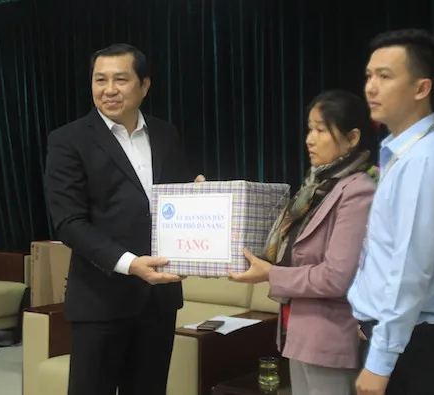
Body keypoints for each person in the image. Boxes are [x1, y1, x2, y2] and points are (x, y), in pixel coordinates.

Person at [44, 43, 204, 395]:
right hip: (100, 300)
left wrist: (199, 198)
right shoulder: (68, 140)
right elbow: (68, 222)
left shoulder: (165, 134)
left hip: (158, 300)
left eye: (120, 79)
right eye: (100, 80)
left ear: (144, 85)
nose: (109, 89)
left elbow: (175, 202)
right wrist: (130, 264)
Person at [229, 90, 376, 395]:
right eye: (310, 129)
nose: (310, 139)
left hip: (330, 335)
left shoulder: (357, 191)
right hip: (297, 330)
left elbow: (336, 277)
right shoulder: (314, 188)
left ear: (352, 138)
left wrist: (271, 274)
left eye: (321, 130)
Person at [348, 29, 434, 395]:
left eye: (385, 76)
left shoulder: (422, 162)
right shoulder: (405, 153)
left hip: (411, 348)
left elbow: (408, 272)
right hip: (399, 338)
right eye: (369, 75)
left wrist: (380, 362)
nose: (371, 87)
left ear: (421, 88)